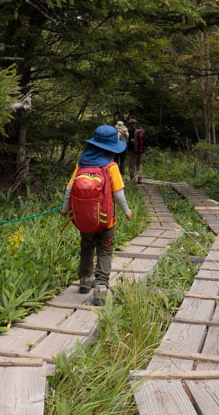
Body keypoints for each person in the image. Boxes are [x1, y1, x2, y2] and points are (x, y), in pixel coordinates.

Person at [63, 124, 133, 305]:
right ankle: (101, 288)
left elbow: (69, 189)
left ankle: (85, 281)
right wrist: (127, 211)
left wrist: (65, 209)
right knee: (104, 250)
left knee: (86, 248)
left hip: (84, 219)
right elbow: (119, 194)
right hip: (105, 220)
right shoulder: (111, 167)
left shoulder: (81, 165)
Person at [126, 119, 147, 184]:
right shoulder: (142, 130)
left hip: (133, 150)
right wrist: (144, 149)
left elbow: (129, 141)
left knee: (132, 165)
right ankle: (140, 179)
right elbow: (145, 139)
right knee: (139, 164)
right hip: (140, 150)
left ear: (131, 124)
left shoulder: (131, 131)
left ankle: (133, 180)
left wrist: (128, 150)